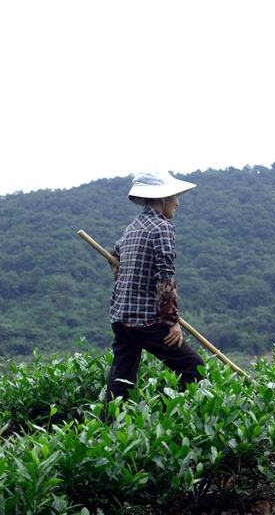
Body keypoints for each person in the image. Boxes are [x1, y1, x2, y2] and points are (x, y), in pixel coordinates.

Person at [104, 171, 205, 409]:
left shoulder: (132, 227)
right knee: (193, 367)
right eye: (175, 197)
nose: (177, 203)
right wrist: (172, 322)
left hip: (121, 318)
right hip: (146, 321)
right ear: (163, 198)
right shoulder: (162, 227)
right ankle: (168, 417)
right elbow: (165, 279)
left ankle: (109, 425)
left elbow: (114, 255)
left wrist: (124, 276)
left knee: (121, 380)